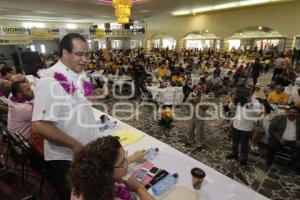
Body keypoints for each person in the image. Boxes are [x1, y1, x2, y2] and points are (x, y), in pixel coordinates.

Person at [31, 33, 100, 200]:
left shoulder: (78, 74)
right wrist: (75, 145)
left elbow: (75, 104)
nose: (84, 60)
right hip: (67, 157)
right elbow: (39, 125)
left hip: (84, 151)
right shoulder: (50, 80)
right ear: (65, 52)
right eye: (79, 54)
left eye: (86, 54)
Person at [69, 136, 155, 200]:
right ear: (106, 172)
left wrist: (131, 158)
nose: (126, 164)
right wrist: (140, 188)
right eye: (122, 162)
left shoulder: (84, 178)